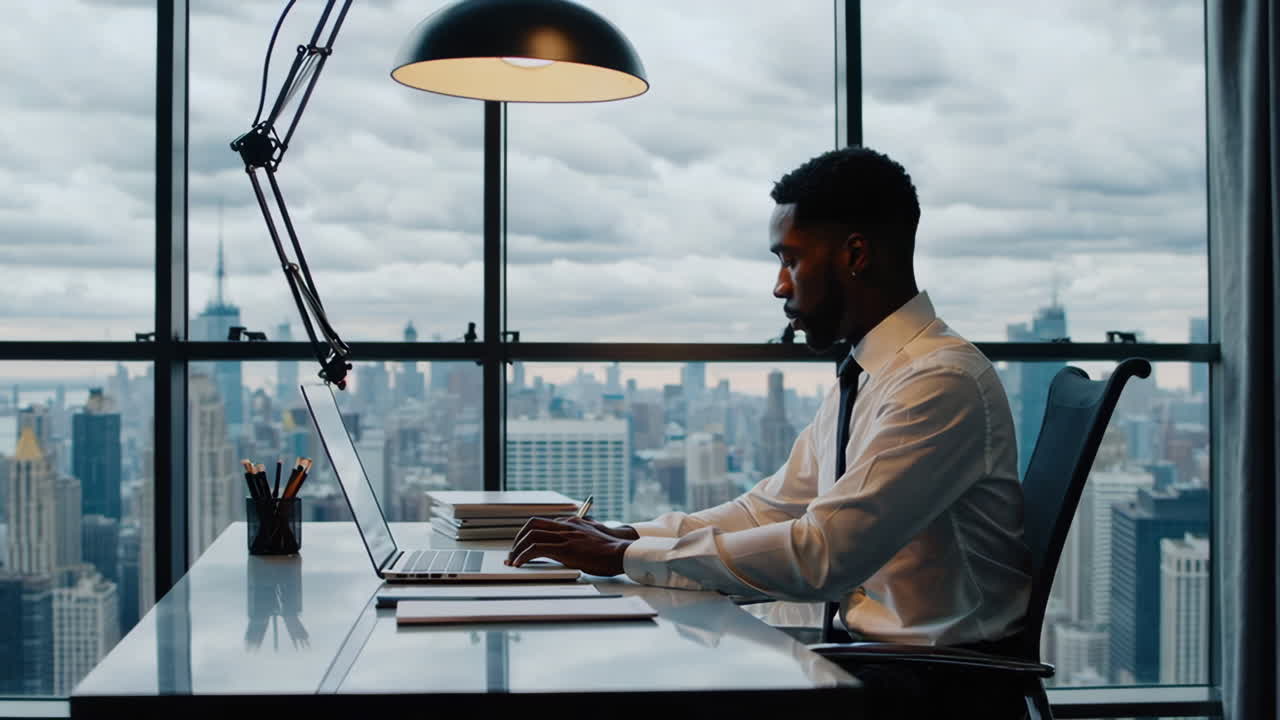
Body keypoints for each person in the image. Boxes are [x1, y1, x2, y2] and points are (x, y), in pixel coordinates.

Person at [507, 147, 1032, 709]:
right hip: (875, 660)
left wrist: (624, 560)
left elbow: (821, 554)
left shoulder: (938, 381)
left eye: (791, 260)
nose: (780, 286)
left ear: (855, 254)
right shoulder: (875, 372)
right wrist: (630, 536)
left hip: (942, 685)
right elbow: (771, 508)